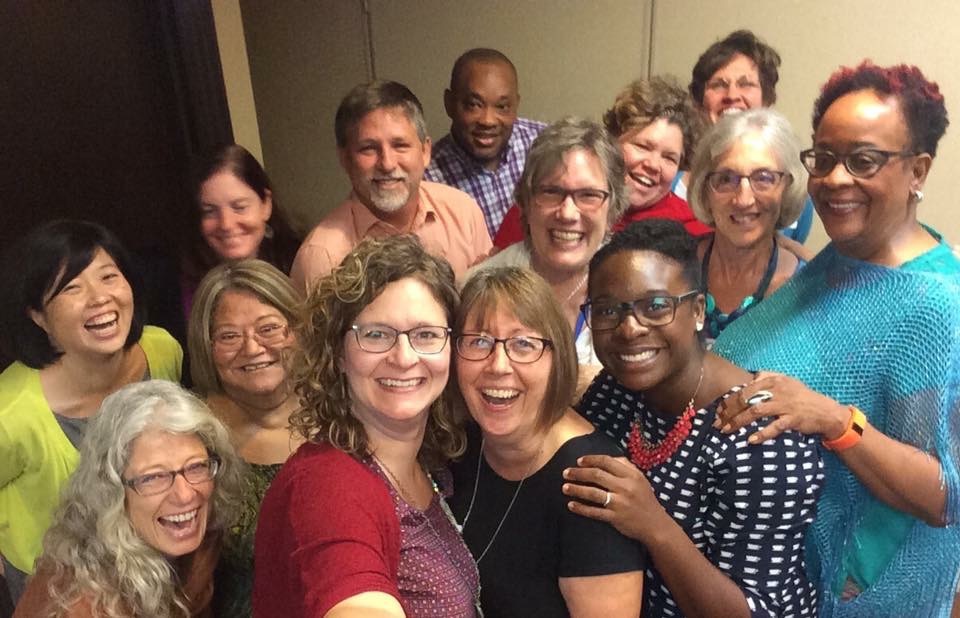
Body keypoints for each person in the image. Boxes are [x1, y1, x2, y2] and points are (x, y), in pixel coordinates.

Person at [714, 62, 960, 617]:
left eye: (863, 160)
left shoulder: (936, 304)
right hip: (767, 585)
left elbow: (947, 493)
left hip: (860, 598)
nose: (835, 179)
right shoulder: (833, 265)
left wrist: (834, 420)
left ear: (918, 169)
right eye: (822, 159)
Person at [566, 219, 822, 617]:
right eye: (607, 310)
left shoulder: (759, 435)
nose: (629, 328)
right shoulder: (618, 392)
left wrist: (655, 526)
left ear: (699, 310)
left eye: (655, 306)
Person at [254, 235, 480, 617]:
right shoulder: (328, 483)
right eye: (376, 335)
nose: (404, 357)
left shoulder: (429, 464)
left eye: (425, 335)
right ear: (337, 354)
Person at [0, 220, 182, 604]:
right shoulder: (10, 412)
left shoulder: (163, 352)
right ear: (37, 315)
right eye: (71, 288)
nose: (100, 298)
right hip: (58, 591)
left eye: (109, 277)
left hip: (154, 568)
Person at [450, 266, 645, 617]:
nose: (498, 365)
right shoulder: (459, 443)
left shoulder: (590, 483)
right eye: (478, 342)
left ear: (557, 358)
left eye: (523, 344)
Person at [13, 380, 243, 618]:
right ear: (110, 490)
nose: (185, 495)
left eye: (196, 467)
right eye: (153, 477)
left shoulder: (201, 547)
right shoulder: (81, 605)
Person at [290, 81, 492, 291]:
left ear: (425, 152)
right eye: (368, 148)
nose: (387, 163)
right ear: (344, 158)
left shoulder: (463, 212)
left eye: (400, 145)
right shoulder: (322, 257)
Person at [187, 259, 304, 618]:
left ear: (298, 331)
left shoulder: (344, 411)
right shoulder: (191, 436)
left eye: (269, 328)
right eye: (229, 336)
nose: (252, 348)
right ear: (207, 348)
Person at [465, 117, 628, 371]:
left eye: (588, 195)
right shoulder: (477, 288)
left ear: (613, 208)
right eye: (551, 192)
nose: (568, 213)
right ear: (526, 201)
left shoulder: (634, 287)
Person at [687, 108, 809, 340]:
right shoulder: (674, 269)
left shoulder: (806, 290)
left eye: (763, 178)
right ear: (704, 189)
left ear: (788, 187)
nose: (743, 200)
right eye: (725, 179)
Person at [686, 29, 814, 243]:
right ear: (700, 102)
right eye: (719, 85)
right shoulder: (666, 185)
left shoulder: (792, 192)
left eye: (746, 84)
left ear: (767, 99)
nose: (732, 96)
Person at [425, 48, 546, 238]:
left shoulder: (543, 144)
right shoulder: (426, 179)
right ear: (449, 104)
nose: (488, 120)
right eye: (474, 105)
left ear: (516, 105)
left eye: (502, 107)